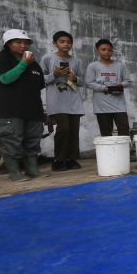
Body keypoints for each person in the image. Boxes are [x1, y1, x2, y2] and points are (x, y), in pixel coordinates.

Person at [0, 29, 47, 181]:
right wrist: (23, 64)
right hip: (10, 110)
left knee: (33, 140)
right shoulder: (1, 59)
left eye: (26, 43)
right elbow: (5, 79)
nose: (23, 45)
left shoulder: (33, 62)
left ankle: (33, 170)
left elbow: (39, 85)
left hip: (33, 109)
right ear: (8, 44)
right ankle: (15, 173)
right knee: (12, 140)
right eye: (18, 42)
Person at [40, 31, 84, 171]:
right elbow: (40, 79)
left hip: (74, 101)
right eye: (62, 41)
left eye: (68, 42)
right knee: (63, 129)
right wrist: (55, 74)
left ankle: (71, 159)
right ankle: (58, 160)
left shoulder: (77, 61)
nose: (66, 44)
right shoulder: (47, 58)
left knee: (73, 130)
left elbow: (83, 82)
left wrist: (74, 78)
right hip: (56, 100)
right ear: (55, 43)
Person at [85, 39, 132, 136]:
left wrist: (120, 85)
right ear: (97, 51)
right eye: (103, 49)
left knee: (124, 129)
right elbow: (89, 83)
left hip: (119, 105)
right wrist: (104, 88)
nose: (107, 52)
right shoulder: (93, 66)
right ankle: (109, 151)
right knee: (106, 133)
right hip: (102, 106)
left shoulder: (119, 65)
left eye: (109, 50)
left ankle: (124, 151)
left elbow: (128, 81)